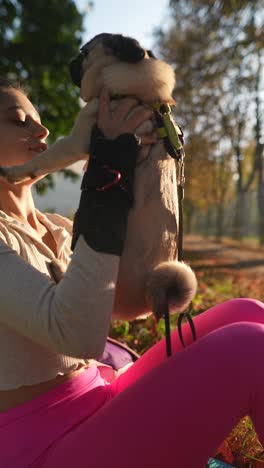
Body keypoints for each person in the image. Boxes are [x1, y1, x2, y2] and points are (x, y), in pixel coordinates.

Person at [0, 77, 263, 468]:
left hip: (101, 394)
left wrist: (145, 157)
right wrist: (104, 180)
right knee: (249, 348)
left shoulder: (56, 225)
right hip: (46, 445)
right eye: (18, 119)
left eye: (37, 120)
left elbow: (127, 302)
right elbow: (77, 334)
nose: (43, 130)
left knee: (249, 311)